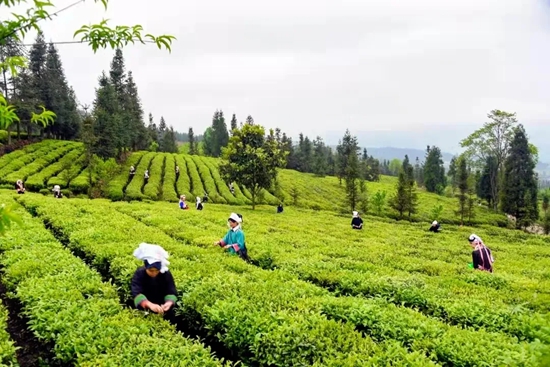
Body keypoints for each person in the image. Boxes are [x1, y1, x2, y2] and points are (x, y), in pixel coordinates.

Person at [131, 243, 177, 318]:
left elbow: (171, 291)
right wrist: (149, 304)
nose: (154, 273)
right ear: (146, 267)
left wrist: (169, 303)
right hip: (144, 310)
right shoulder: (139, 273)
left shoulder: (165, 273)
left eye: (157, 270)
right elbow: (136, 293)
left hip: (163, 309)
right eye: (151, 270)